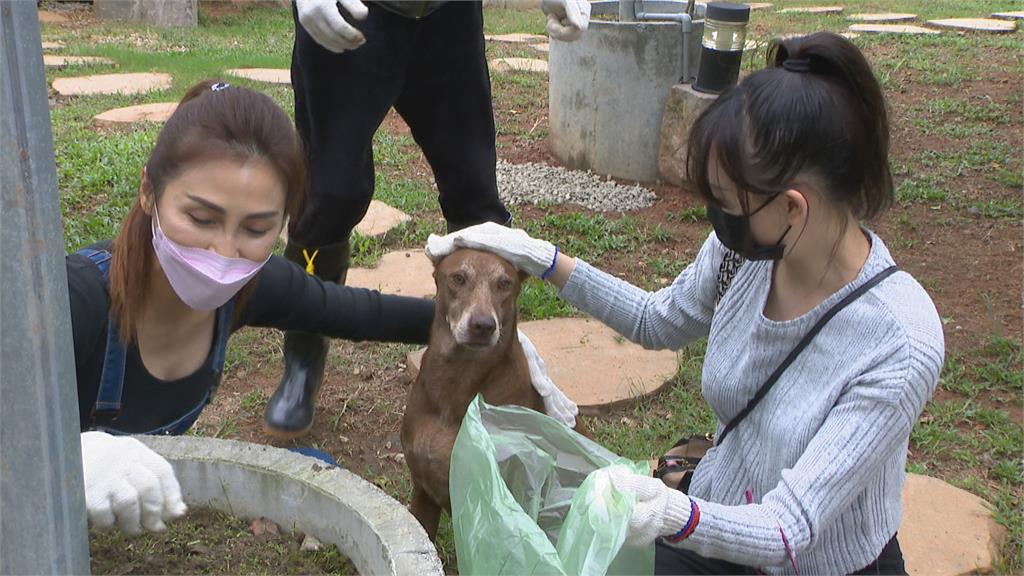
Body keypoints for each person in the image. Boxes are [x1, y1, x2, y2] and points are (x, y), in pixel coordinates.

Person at [427, 32, 944, 575]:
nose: (715, 219)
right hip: (715, 522)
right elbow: (658, 320)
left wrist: (675, 513)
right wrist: (542, 257)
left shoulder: (897, 342)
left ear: (792, 207)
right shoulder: (744, 252)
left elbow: (788, 529)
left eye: (725, 202)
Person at [69, 80, 575, 535]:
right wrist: (65, 457)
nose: (224, 253)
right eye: (200, 217)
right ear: (148, 193)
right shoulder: (73, 301)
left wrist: (481, 329)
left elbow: (359, 312)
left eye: (256, 228)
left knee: (312, 465)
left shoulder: (248, 286)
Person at [265, 0, 591, 439]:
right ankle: (303, 354)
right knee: (331, 195)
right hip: (355, 13)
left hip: (447, 16)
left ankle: (494, 376)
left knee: (476, 202)